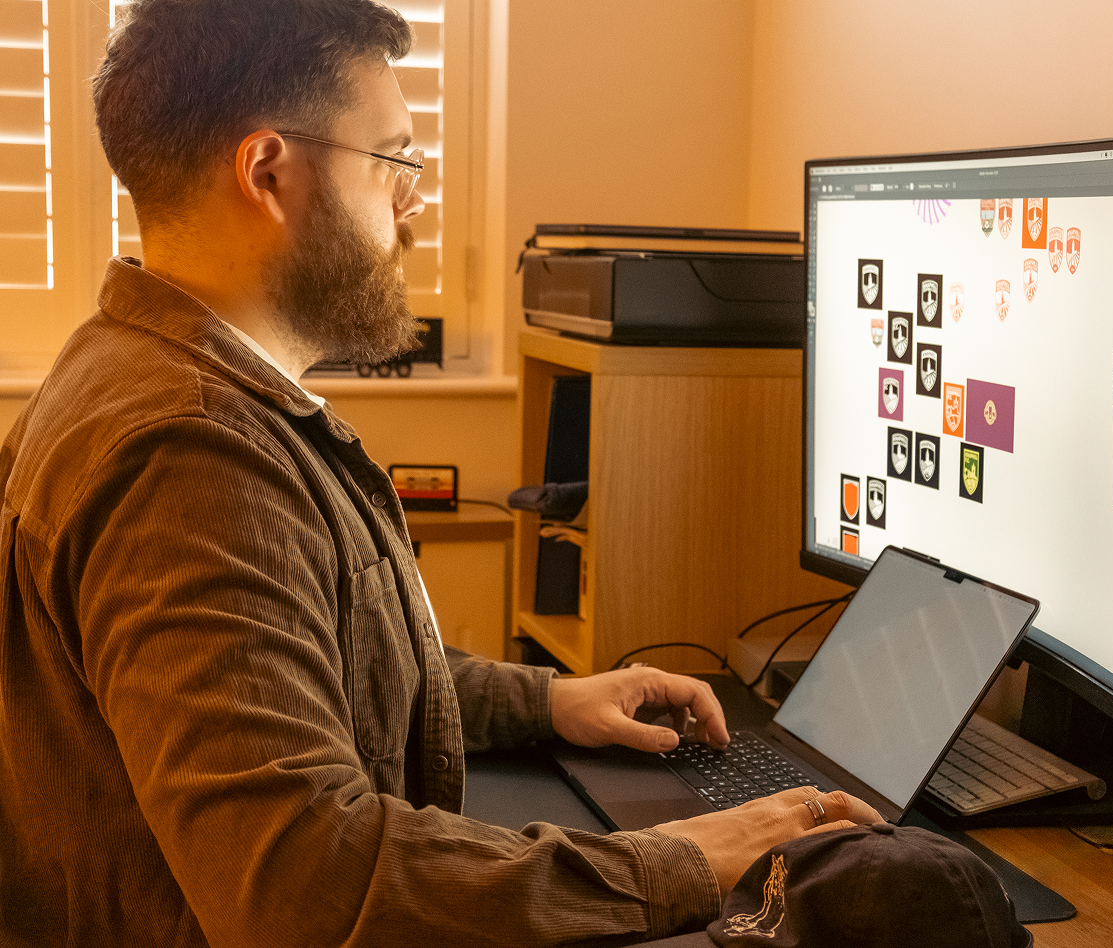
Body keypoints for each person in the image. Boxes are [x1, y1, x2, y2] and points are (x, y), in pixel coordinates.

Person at [0, 2, 880, 945]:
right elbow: (305, 888)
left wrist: (547, 700)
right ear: (267, 172)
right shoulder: (188, 457)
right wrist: (686, 859)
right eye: (393, 161)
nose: (412, 202)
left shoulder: (147, 375)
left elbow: (314, 665)